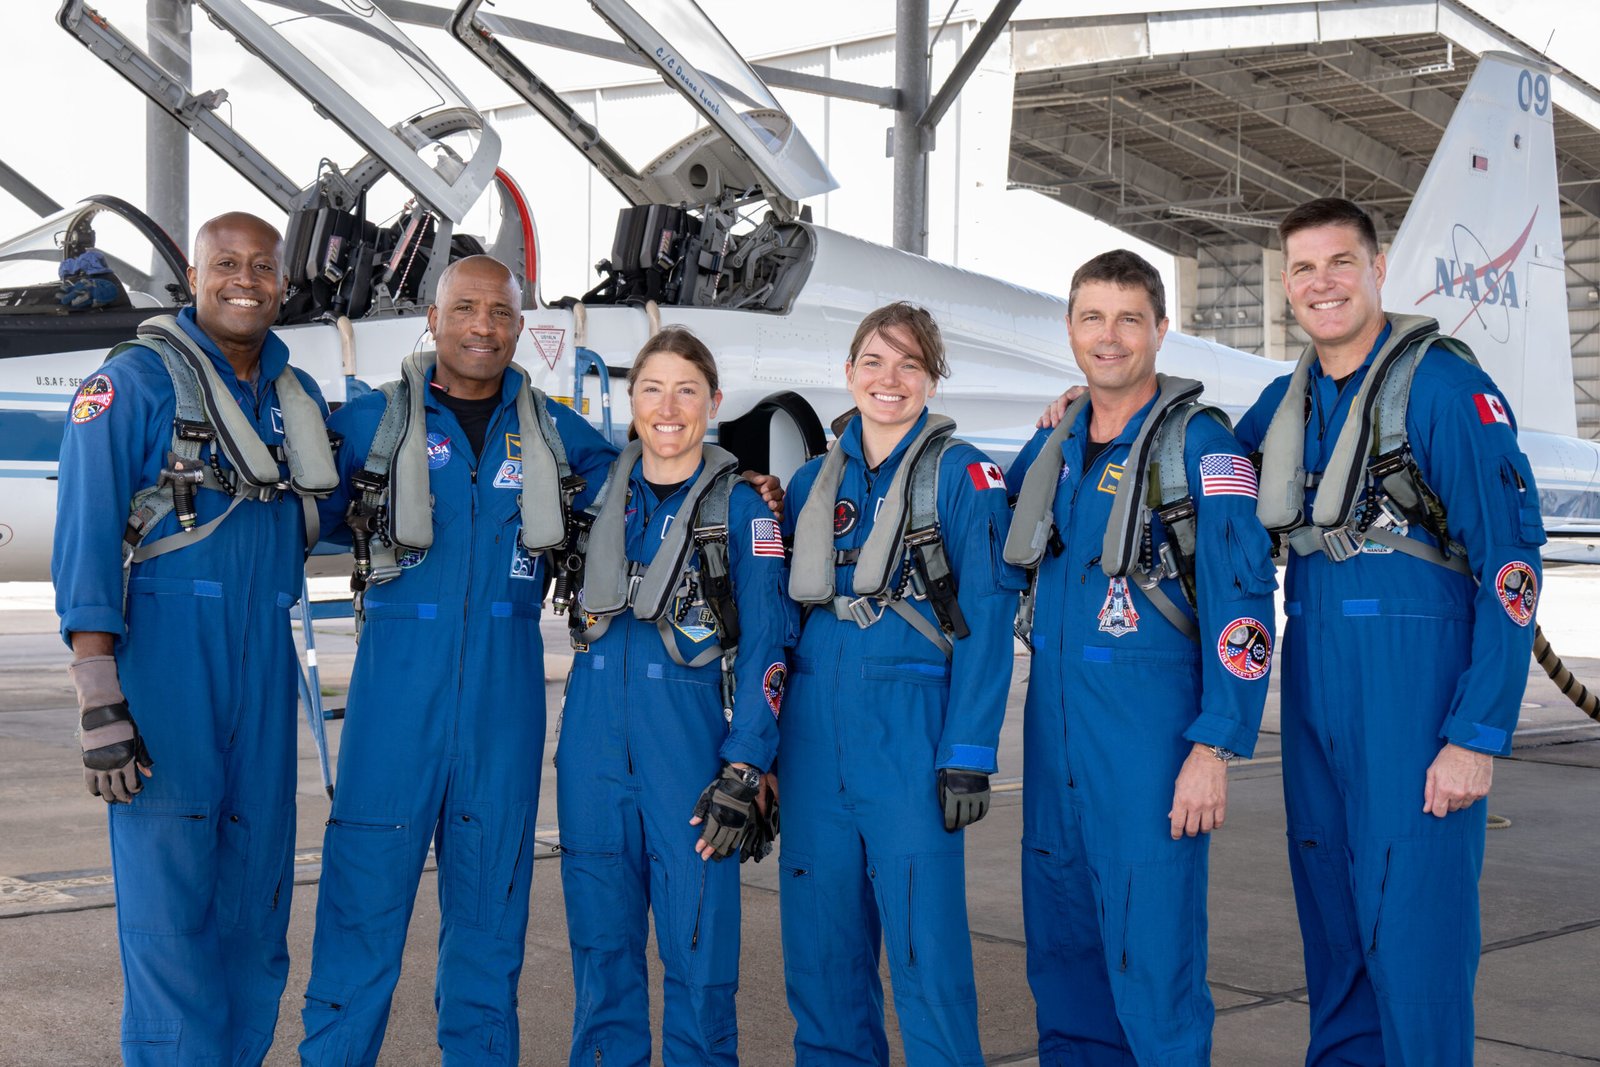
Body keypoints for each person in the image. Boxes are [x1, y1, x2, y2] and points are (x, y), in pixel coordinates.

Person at [1234, 198, 1543, 1064]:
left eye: (1340, 262)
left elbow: (1512, 573)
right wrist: (1095, 409)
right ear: (1287, 284)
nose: (1322, 283)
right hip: (1316, 683)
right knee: (1336, 941)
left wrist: (1476, 733)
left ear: (1376, 269)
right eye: (1304, 268)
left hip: (1417, 692)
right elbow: (1204, 467)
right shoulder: (1285, 403)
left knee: (1416, 944)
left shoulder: (1444, 389)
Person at [298, 255, 617, 1065]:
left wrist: (749, 490)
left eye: (500, 312)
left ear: (520, 326)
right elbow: (285, 520)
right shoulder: (372, 423)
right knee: (359, 917)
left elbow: (648, 494)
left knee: (489, 928)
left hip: (504, 711)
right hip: (393, 707)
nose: (483, 326)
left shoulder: (556, 435)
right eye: (466, 309)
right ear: (433, 320)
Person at [53, 212, 336, 1065]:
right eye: (227, 264)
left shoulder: (296, 397)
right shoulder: (132, 384)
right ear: (196, 277)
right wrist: (98, 693)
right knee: (169, 914)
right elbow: (86, 534)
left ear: (282, 282)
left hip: (265, 661)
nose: (245, 280)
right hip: (167, 662)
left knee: (257, 907)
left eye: (262, 266)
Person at [1005, 250, 1276, 1064]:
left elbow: (1244, 607)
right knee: (1064, 975)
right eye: (1093, 317)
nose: (1110, 336)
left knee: (1155, 981)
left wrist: (1214, 746)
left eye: (1129, 319)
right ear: (1070, 329)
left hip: (1149, 754)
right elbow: (985, 526)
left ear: (1161, 329)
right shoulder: (1052, 446)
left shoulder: (1202, 448)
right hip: (1054, 751)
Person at [778, 301, 1022, 1067]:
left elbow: (987, 617)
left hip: (911, 738)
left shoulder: (965, 477)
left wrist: (968, 751)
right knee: (822, 961)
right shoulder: (809, 483)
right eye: (875, 362)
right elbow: (778, 623)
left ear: (932, 378)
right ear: (849, 372)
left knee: (927, 957)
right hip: (811, 740)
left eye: (910, 364)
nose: (891, 379)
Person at [555, 326, 793, 1065]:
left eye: (686, 391)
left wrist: (745, 767)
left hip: (688, 755)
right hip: (590, 752)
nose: (668, 408)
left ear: (714, 403)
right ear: (631, 401)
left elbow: (767, 646)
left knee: (699, 960)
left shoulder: (744, 511)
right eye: (653, 389)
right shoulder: (596, 494)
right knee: (601, 959)